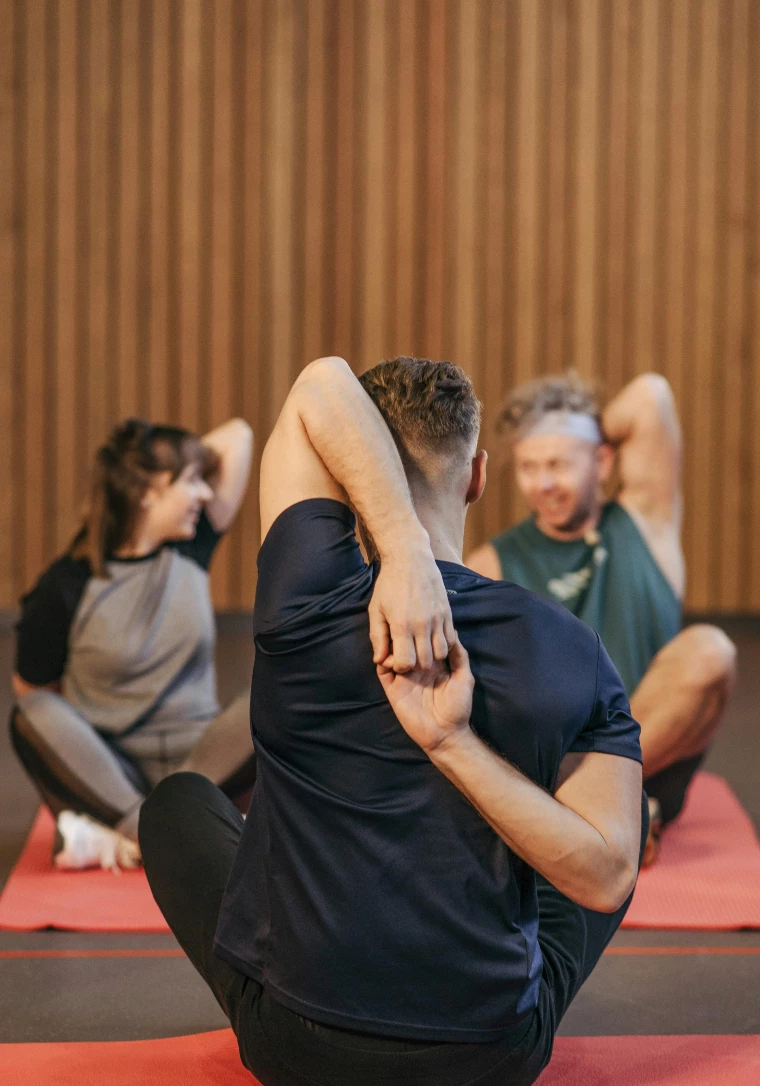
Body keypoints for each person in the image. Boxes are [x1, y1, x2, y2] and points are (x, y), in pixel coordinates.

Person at [139, 356, 645, 1086]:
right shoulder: (571, 648)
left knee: (176, 803)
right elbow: (605, 879)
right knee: (610, 835)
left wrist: (442, 731)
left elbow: (319, 384)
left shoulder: (303, 602)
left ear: (345, 479)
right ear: (477, 474)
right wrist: (460, 749)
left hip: (297, 1049)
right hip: (490, 1058)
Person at [467, 372, 736, 863]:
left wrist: (573, 426)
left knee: (711, 649)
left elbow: (651, 393)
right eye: (528, 467)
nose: (543, 484)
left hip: (653, 761)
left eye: (558, 464)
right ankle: (619, 812)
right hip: (559, 765)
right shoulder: (492, 563)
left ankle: (593, 809)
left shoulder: (646, 520)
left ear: (603, 460)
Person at [11, 417, 256, 871]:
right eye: (190, 482)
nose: (205, 494)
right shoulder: (65, 585)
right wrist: (89, 765)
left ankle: (127, 837)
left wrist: (159, 462)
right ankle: (156, 829)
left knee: (279, 693)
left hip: (201, 760)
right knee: (31, 716)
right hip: (113, 769)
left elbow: (238, 435)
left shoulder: (191, 546)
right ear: (146, 491)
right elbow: (34, 693)